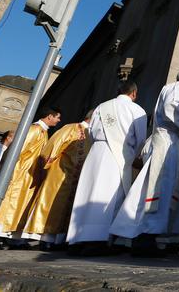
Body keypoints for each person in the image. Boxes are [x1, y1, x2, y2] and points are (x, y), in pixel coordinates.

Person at [110, 69, 179, 256]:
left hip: (171, 142)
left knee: (160, 191)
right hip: (168, 144)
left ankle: (152, 238)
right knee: (160, 191)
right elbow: (171, 108)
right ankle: (145, 238)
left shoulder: (174, 88)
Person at [66, 80, 147, 256]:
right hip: (118, 155)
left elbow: (92, 132)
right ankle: (98, 240)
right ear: (134, 93)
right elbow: (141, 139)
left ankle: (77, 239)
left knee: (87, 193)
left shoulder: (101, 107)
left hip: (96, 152)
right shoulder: (137, 110)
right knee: (110, 196)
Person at [22, 110, 93, 249]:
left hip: (76, 177)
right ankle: (45, 238)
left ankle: (58, 240)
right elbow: (53, 146)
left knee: (67, 208)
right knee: (53, 205)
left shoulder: (92, 134)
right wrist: (45, 168)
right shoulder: (71, 128)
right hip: (60, 173)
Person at [0, 107, 61, 240]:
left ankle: (10, 236)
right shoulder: (33, 130)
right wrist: (9, 172)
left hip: (28, 175)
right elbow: (17, 150)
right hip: (19, 173)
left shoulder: (43, 131)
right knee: (9, 202)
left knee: (19, 204)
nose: (59, 120)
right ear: (49, 116)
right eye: (57, 117)